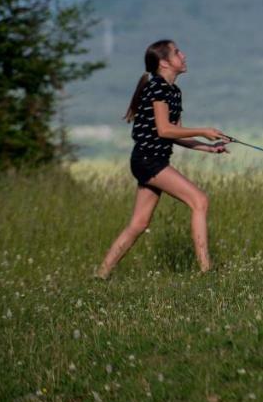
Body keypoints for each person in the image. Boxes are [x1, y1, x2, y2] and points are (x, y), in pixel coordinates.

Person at [96, 40, 228, 278]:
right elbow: (164, 130)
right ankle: (207, 270)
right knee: (200, 201)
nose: (184, 55)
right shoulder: (157, 87)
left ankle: (100, 275)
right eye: (178, 52)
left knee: (139, 224)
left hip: (151, 160)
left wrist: (209, 147)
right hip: (148, 160)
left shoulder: (173, 92)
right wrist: (202, 130)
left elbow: (176, 133)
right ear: (165, 62)